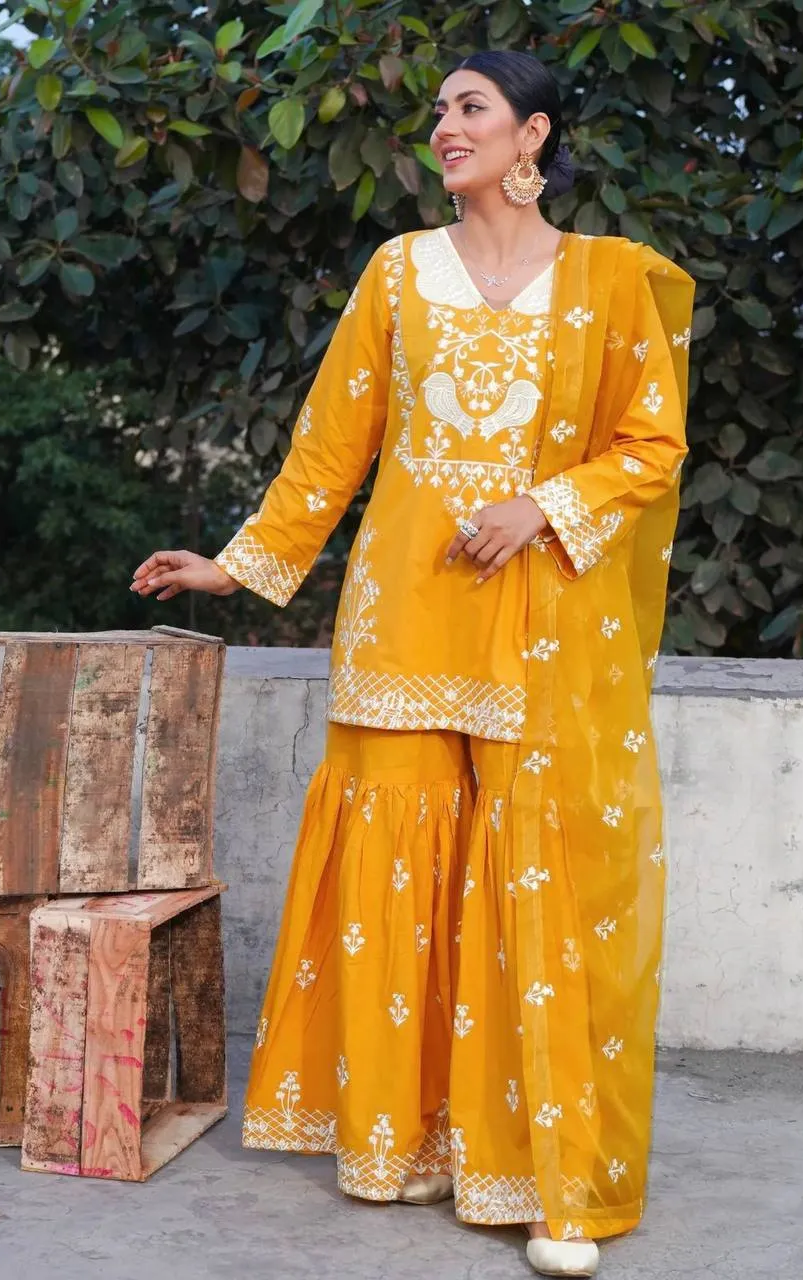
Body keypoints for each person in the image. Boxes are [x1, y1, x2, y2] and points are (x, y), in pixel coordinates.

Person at [132, 49, 693, 1279]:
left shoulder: (607, 283)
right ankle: (403, 1141)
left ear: (532, 133)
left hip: (538, 629)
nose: (442, 126)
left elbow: (652, 445)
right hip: (403, 620)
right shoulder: (396, 275)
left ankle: (546, 1171)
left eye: (469, 107)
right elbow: (332, 446)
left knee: (530, 880)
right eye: (438, 107)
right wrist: (238, 564)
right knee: (405, 870)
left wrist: (543, 504)